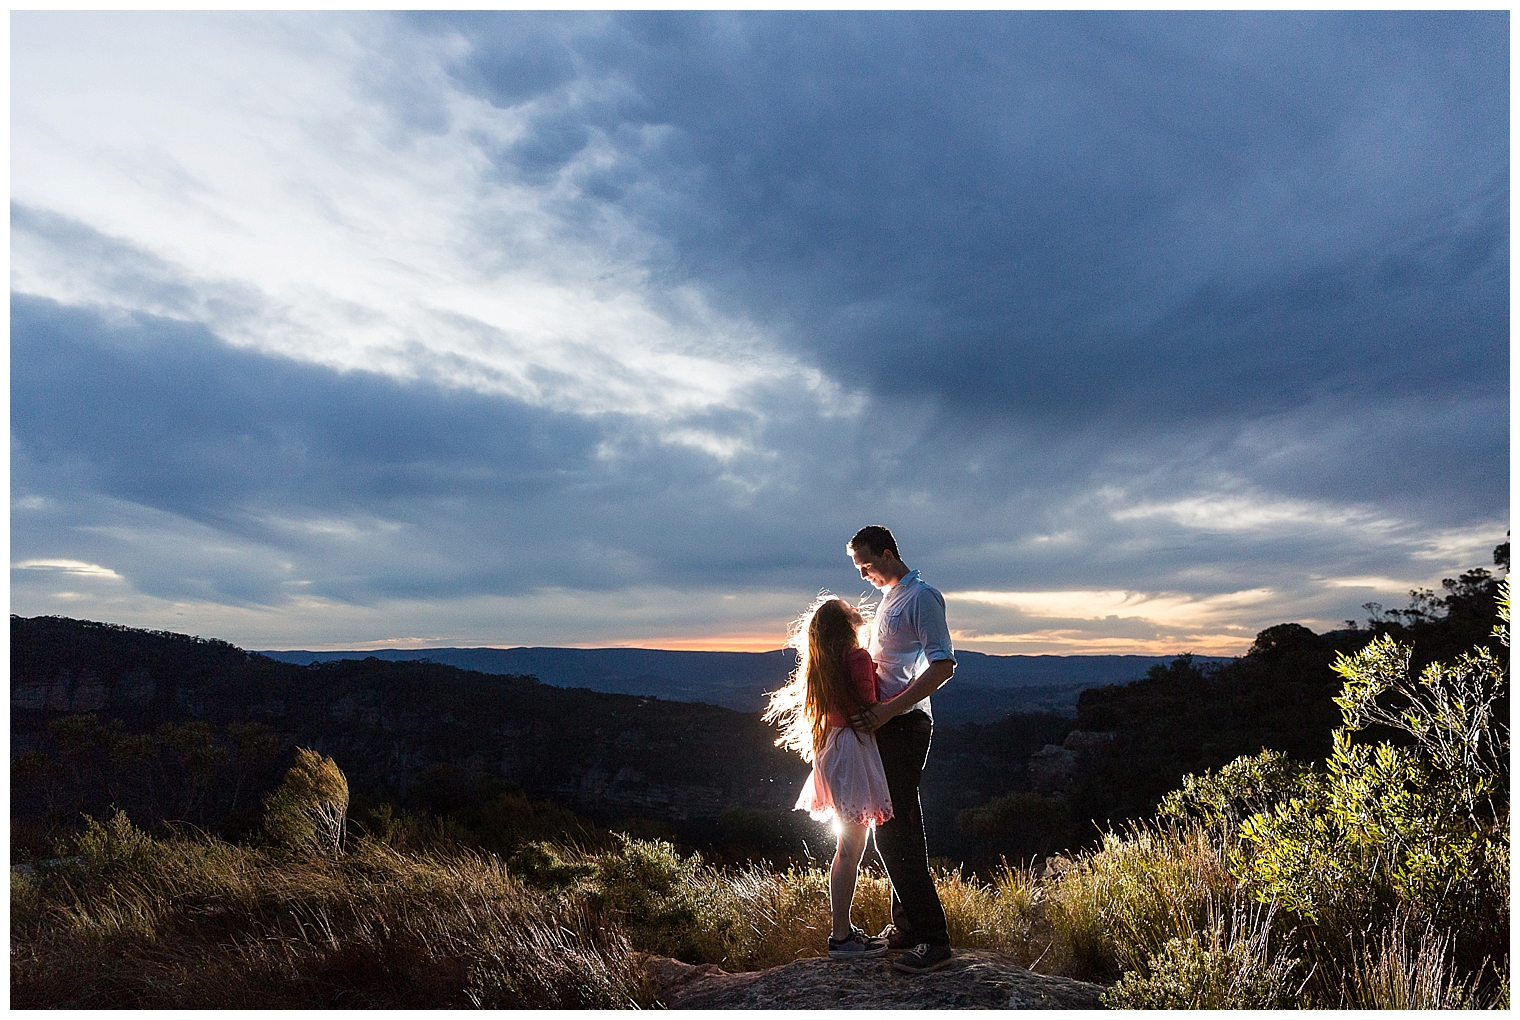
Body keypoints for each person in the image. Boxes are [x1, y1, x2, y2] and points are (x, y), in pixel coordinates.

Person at [845, 525, 955, 974]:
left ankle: (933, 939)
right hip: (887, 724)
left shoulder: (921, 597)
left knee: (893, 830)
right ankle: (908, 926)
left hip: (905, 725)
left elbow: (943, 665)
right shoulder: (891, 597)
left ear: (888, 553)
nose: (864, 574)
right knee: (902, 824)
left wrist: (888, 711)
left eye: (867, 565)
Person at [764, 595, 894, 960]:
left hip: (833, 749)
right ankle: (841, 937)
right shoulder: (856, 658)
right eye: (848, 606)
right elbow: (870, 703)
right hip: (853, 752)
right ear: (843, 623)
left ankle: (843, 932)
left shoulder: (822, 663)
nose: (856, 606)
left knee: (848, 848)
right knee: (851, 849)